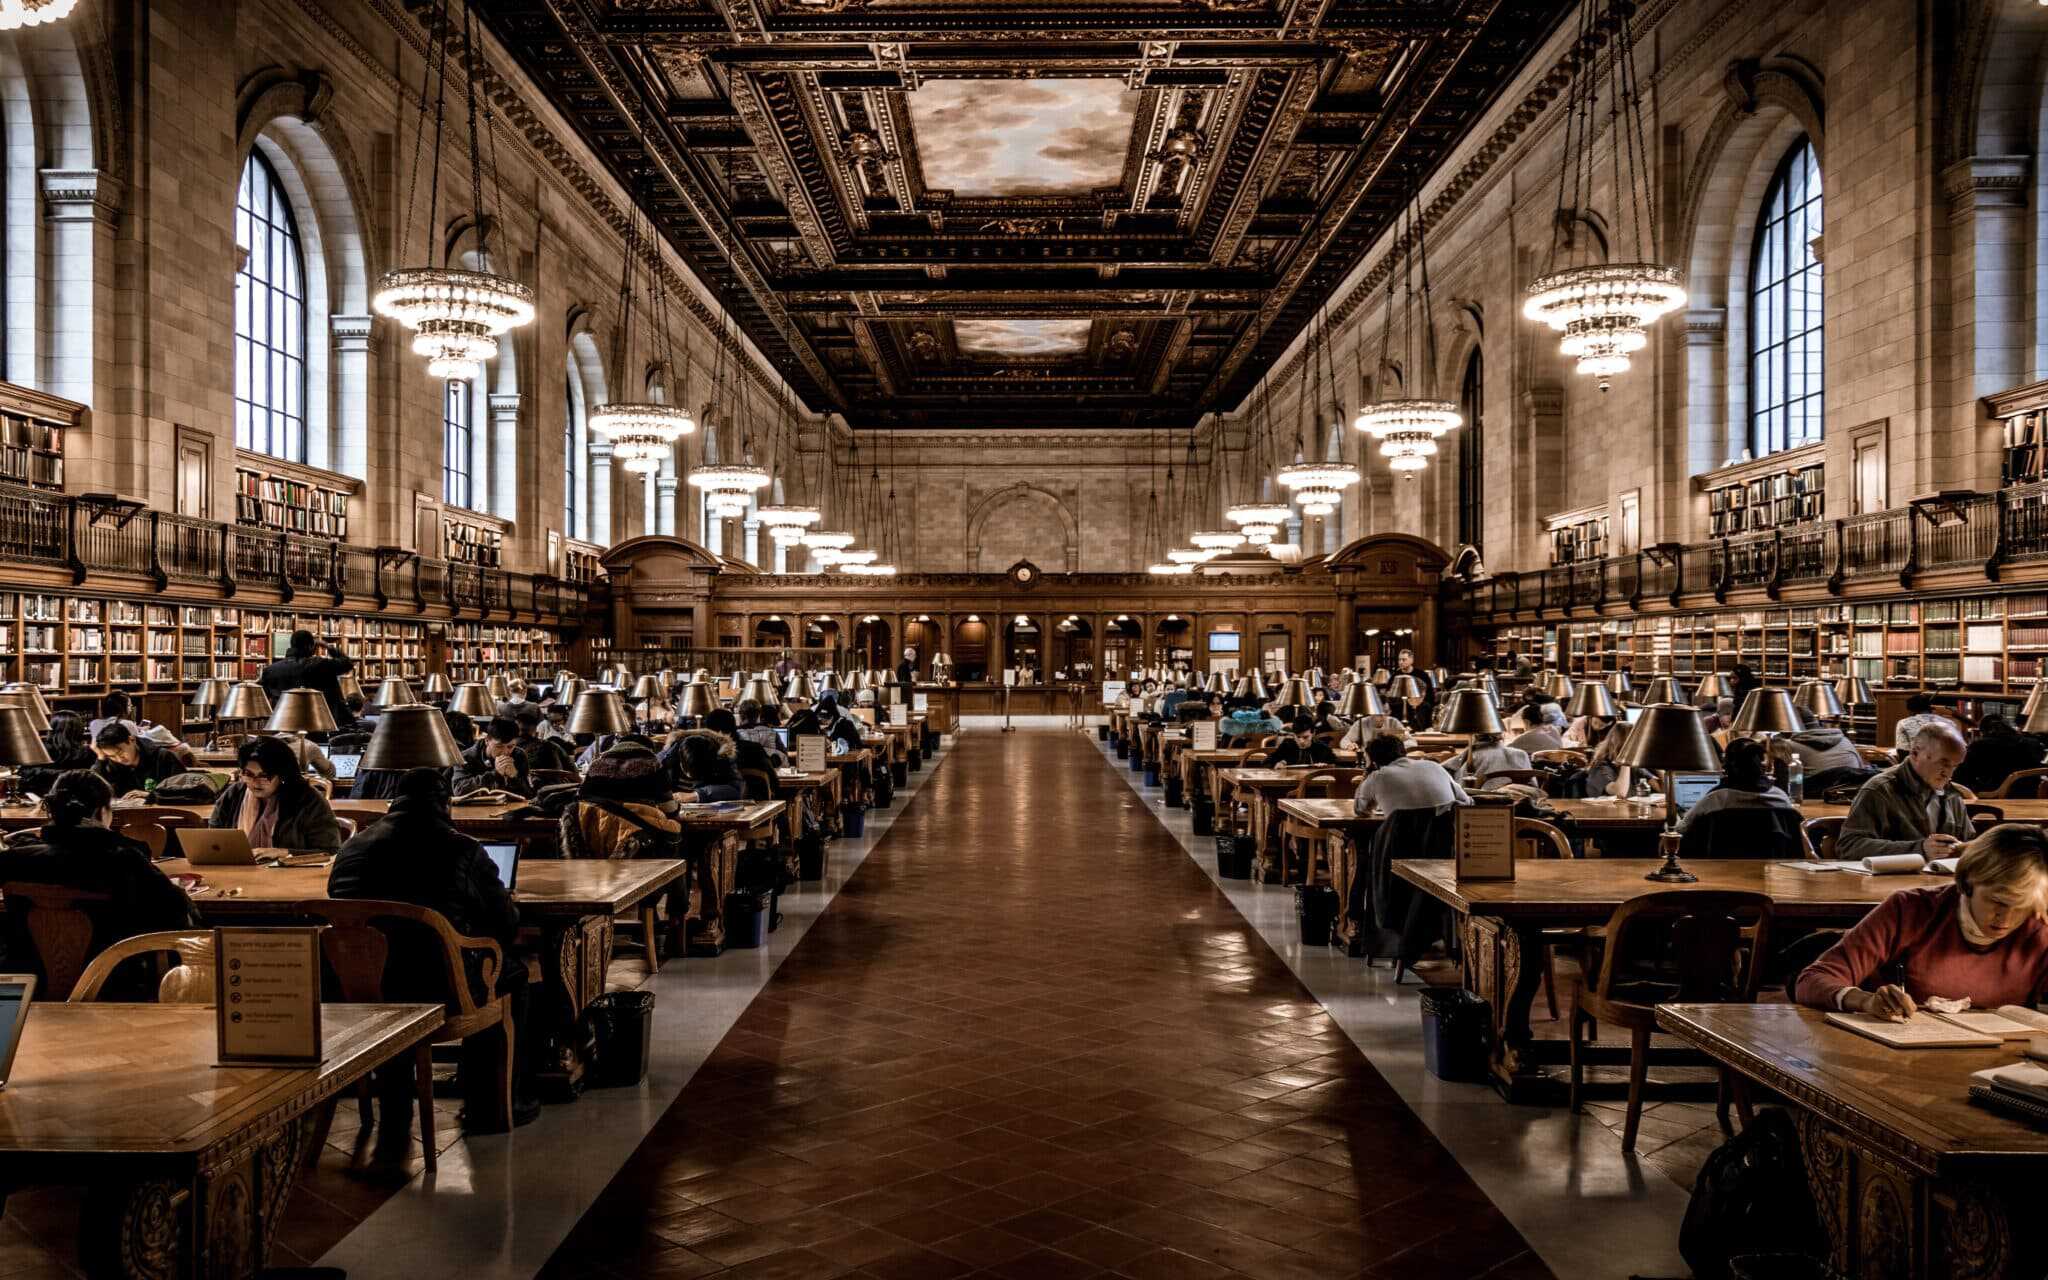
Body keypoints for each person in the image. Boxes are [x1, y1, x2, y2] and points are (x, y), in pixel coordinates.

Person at [328, 766, 538, 1144]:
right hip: (442, 988)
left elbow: (340, 907)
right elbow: (504, 926)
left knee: (400, 966)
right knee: (513, 976)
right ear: (445, 803)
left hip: (363, 989)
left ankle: (394, 1097)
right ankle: (490, 1103)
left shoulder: (352, 848)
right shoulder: (462, 848)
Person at [1795, 823, 2048, 1015]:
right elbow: (1812, 981)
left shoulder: (2039, 928)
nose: (2007, 918)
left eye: (2022, 906)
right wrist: (1865, 1001)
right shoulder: (1909, 910)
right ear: (1969, 881)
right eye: (1997, 901)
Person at [0, 771, 198, 989]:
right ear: (102, 811)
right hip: (116, 984)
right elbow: (176, 916)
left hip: (30, 985)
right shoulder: (125, 861)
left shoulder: (14, 859)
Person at [1837, 720, 1975, 865]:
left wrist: (1964, 848)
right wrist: (1919, 849)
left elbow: (1969, 840)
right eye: (1944, 763)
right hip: (1889, 883)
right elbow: (1848, 846)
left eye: (1955, 766)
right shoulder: (1880, 790)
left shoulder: (1951, 794)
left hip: (1940, 881)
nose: (1949, 773)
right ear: (1915, 753)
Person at [208, 736, 343, 853]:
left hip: (292, 878)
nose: (255, 783)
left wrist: (285, 853)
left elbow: (330, 851)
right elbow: (214, 840)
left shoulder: (308, 800)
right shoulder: (234, 794)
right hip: (237, 874)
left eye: (264, 776)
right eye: (248, 774)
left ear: (282, 775)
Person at [1677, 737, 1803, 858]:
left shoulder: (1716, 799)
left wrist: (1676, 815)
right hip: (1772, 869)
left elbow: (1680, 830)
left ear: (1727, 767)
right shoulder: (1780, 797)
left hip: (1719, 868)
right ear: (1762, 767)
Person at [1352, 733, 1471, 816]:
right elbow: (1466, 801)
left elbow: (1360, 810)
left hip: (1401, 847)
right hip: (1446, 844)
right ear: (1403, 752)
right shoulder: (1434, 766)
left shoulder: (1377, 776)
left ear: (1374, 763)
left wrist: (1368, 771)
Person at [259, 628, 355, 728]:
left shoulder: (271, 671)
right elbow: (347, 664)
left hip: (284, 726)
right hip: (320, 724)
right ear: (311, 646)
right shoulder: (321, 665)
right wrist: (328, 647)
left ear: (291, 645)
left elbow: (263, 698)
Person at [1956, 714, 2047, 796]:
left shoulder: (1979, 746)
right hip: (2031, 796)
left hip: (1994, 797)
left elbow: (1961, 778)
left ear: (1983, 732)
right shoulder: (2033, 743)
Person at [91, 722, 188, 796]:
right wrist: (100, 758)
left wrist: (152, 795)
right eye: (111, 756)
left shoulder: (164, 757)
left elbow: (186, 791)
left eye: (120, 753)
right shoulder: (111, 763)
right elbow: (92, 789)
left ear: (131, 740)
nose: (119, 759)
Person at [1774, 719, 1870, 792]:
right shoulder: (1844, 740)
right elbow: (1862, 769)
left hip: (1814, 798)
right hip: (1853, 794)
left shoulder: (1788, 745)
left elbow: (1784, 784)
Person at [455, 717, 533, 798]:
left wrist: (514, 777)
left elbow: (529, 795)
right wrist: (495, 774)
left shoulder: (519, 755)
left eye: (510, 746)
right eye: (499, 746)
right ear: (487, 740)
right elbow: (459, 790)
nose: (505, 752)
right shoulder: (466, 757)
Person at [664, 731, 743, 802]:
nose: (689, 776)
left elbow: (735, 791)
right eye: (687, 768)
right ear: (680, 759)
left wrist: (697, 795)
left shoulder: (722, 758)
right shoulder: (666, 759)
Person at [1445, 731, 1532, 791]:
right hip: (1522, 807)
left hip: (1481, 807)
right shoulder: (1521, 754)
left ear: (1475, 736)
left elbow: (1461, 788)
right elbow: (1533, 784)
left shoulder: (1473, 757)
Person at [512, 706, 575, 775]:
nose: (555, 724)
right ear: (536, 732)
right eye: (552, 721)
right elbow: (574, 772)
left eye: (558, 721)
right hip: (555, 784)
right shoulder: (552, 745)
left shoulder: (507, 750)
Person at [1265, 718, 1337, 767]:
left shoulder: (1322, 748)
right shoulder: (1287, 745)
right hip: (1291, 784)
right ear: (1293, 735)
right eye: (1298, 737)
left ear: (1313, 733)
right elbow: (1266, 762)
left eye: (1305, 737)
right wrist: (1277, 763)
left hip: (1315, 785)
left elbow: (1335, 764)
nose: (1301, 741)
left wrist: (1326, 765)